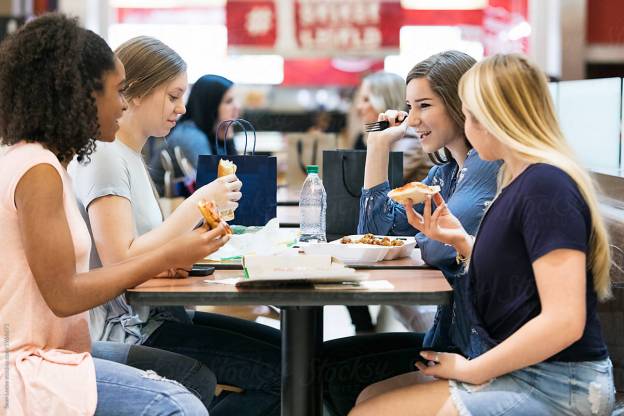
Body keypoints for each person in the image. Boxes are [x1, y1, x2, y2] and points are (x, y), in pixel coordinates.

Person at [349, 53, 616, 416]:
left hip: (556, 384)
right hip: (527, 371)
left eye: (472, 115)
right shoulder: (520, 181)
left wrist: (472, 370)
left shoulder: (545, 186)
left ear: (499, 117)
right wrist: (462, 242)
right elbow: (517, 267)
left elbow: (566, 320)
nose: (469, 127)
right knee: (368, 402)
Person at [0, 13, 229, 415]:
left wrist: (162, 261)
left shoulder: (44, 162)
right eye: (117, 90)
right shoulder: (38, 171)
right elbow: (64, 294)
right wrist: (165, 257)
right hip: (27, 363)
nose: (123, 103)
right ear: (80, 95)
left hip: (53, 349)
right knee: (177, 405)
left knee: (193, 378)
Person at [68, 36, 281, 416]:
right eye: (172, 96)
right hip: (130, 329)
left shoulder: (130, 153)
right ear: (132, 93)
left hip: (156, 316)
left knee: (287, 355)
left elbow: (142, 249)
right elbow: (121, 259)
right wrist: (199, 203)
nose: (182, 108)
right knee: (284, 373)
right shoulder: (104, 155)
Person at [321, 51, 501, 415]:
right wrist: (378, 146)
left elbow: (436, 248)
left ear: (458, 103)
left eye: (424, 106)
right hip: (455, 338)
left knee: (348, 390)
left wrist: (417, 241)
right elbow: (371, 233)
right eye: (409, 106)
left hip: (483, 348)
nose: (413, 120)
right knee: (352, 388)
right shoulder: (446, 175)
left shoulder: (487, 167)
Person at [149, 74, 240, 195]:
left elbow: (233, 177)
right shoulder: (191, 137)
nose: (237, 107)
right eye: (229, 101)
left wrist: (227, 139)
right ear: (210, 105)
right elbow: (216, 185)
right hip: (163, 207)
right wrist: (227, 141)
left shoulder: (210, 132)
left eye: (235, 100)